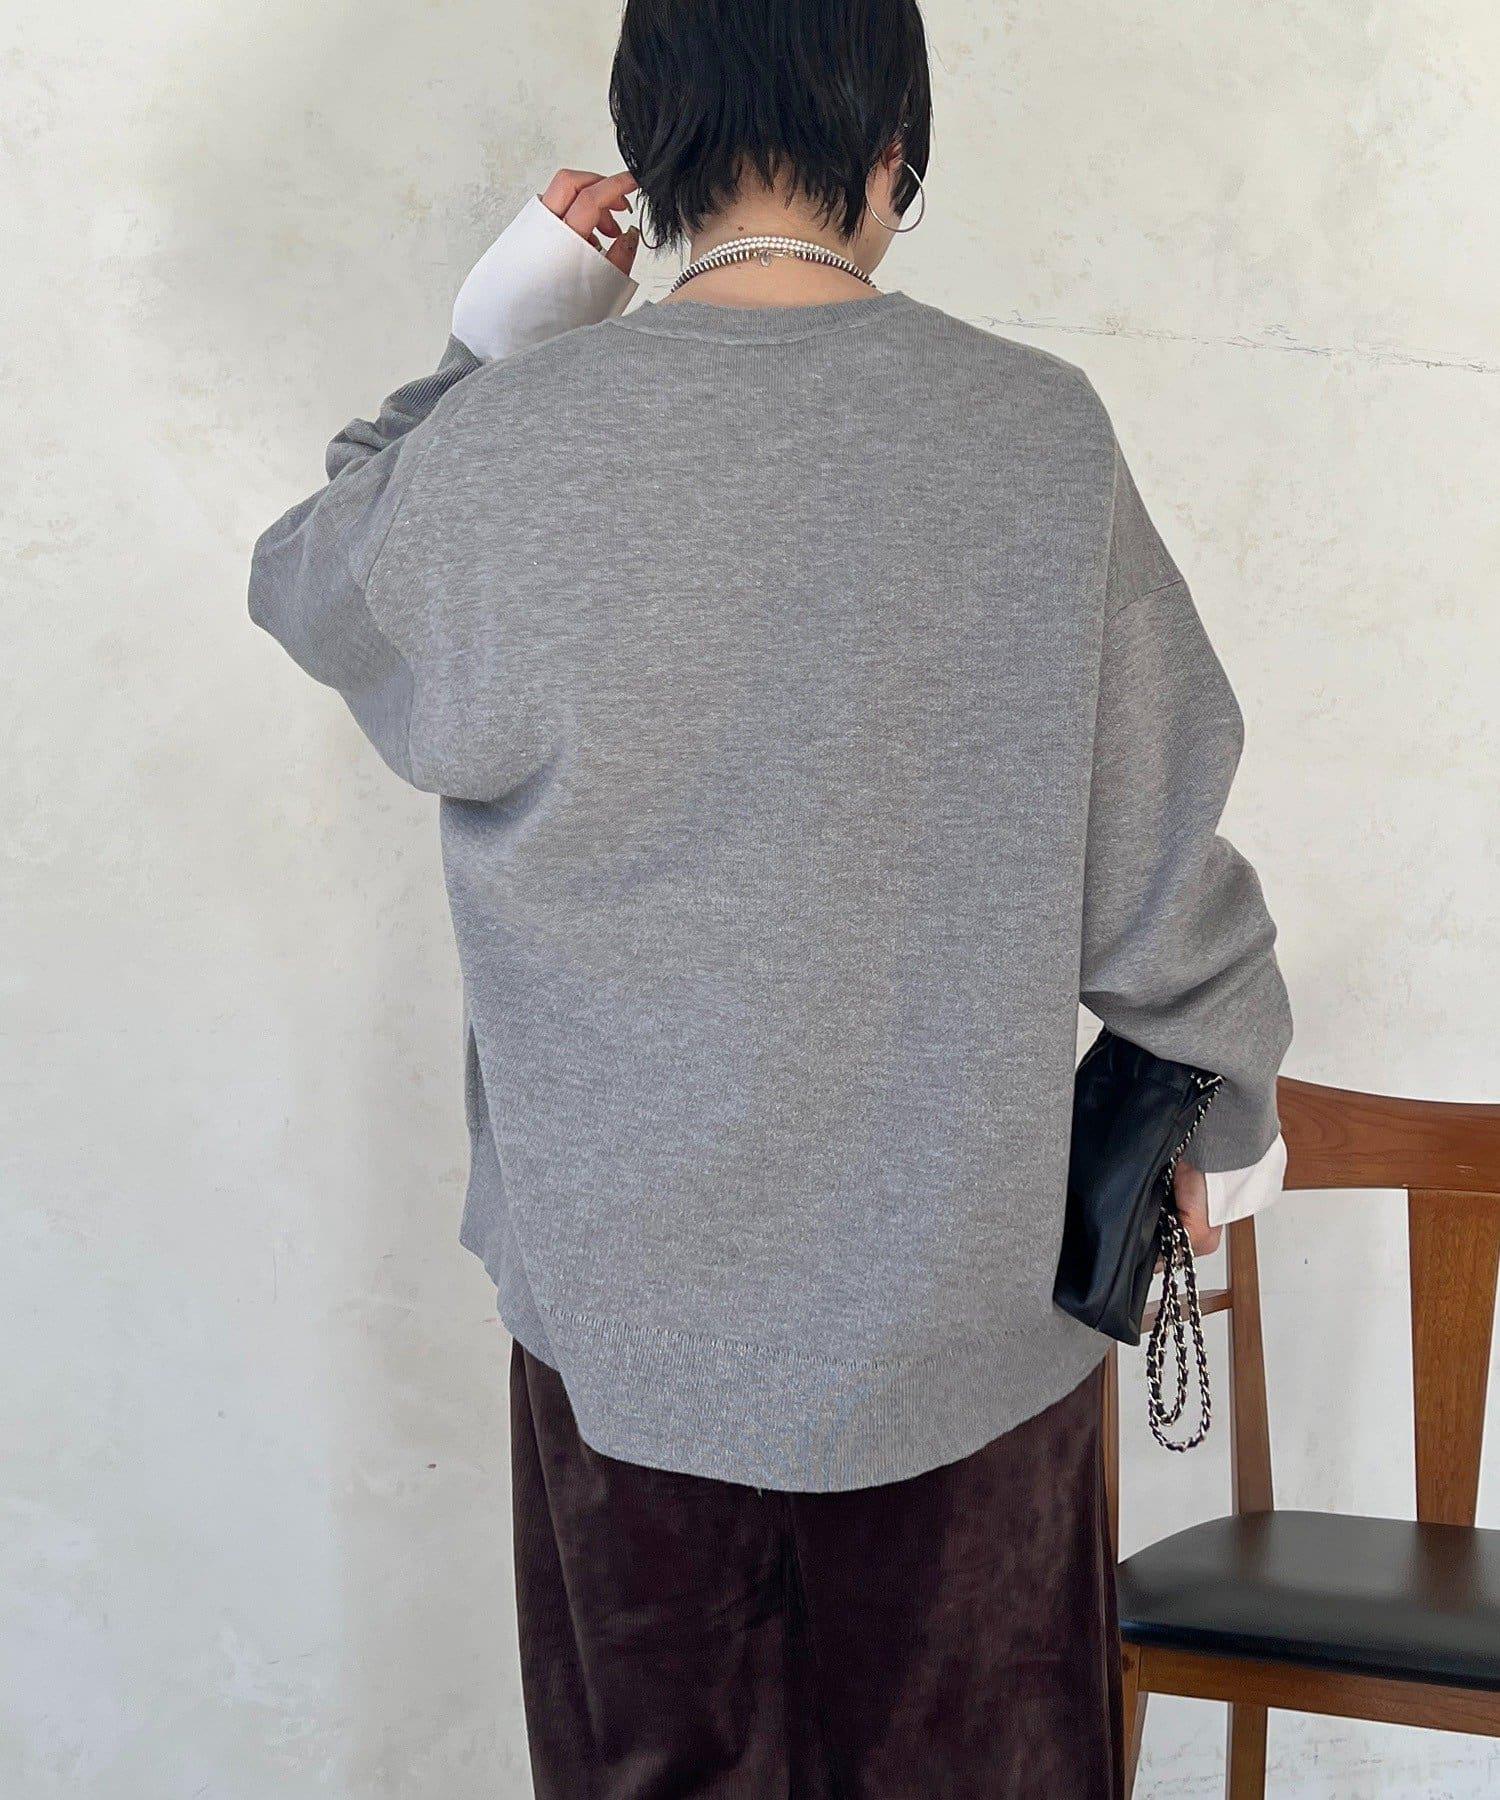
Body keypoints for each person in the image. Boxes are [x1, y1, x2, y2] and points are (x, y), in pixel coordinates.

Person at [249, 0, 1292, 1791]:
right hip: (963, 1333)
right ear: (894, 147)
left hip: (624, 1338)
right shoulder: (1033, 434)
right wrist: (1233, 1093)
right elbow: (1158, 865)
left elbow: (310, 583)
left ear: (652, 149)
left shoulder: (507, 447)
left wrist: (486, 348)